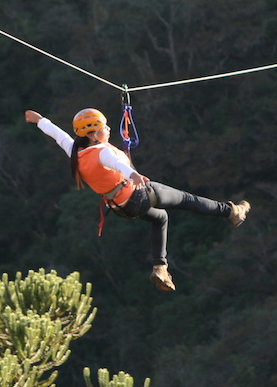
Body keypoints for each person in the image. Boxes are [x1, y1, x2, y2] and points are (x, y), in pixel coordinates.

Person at [25, 107, 250, 292]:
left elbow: (57, 134)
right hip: (137, 194)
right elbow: (118, 165)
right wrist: (132, 175)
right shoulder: (101, 152)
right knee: (187, 199)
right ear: (93, 134)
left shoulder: (75, 151)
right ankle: (232, 212)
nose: (109, 129)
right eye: (104, 127)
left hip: (121, 207)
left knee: (160, 218)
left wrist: (38, 120)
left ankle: (160, 267)